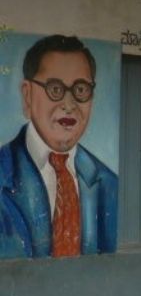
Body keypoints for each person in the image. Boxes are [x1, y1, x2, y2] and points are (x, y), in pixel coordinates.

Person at [0, 35, 118, 259]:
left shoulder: (108, 184)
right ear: (27, 95)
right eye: (55, 89)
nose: (69, 104)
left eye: (81, 89)